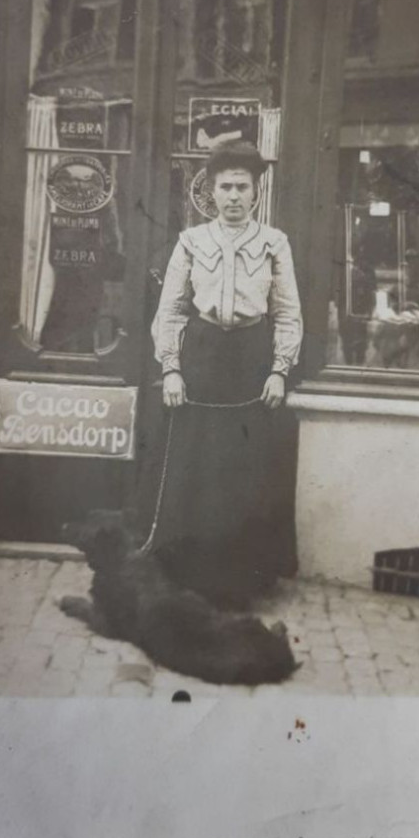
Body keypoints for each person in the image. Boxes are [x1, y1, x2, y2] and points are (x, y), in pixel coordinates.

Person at [148, 141, 303, 608]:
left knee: (244, 470)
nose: (234, 196)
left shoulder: (274, 243)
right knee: (197, 466)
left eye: (242, 187)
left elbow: (288, 313)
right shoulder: (191, 242)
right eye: (225, 187)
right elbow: (171, 310)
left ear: (256, 193)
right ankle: (190, 574)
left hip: (252, 360)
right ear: (211, 192)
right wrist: (172, 369)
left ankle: (242, 580)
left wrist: (279, 371)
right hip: (203, 358)